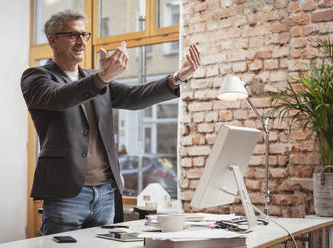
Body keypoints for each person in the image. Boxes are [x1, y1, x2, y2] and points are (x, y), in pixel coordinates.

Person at [21, 9, 200, 235]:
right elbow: (60, 98)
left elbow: (136, 96)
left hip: (105, 192)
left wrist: (177, 78)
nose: (81, 42)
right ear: (52, 40)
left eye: (84, 35)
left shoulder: (95, 79)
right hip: (65, 194)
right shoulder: (36, 77)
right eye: (73, 35)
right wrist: (102, 78)